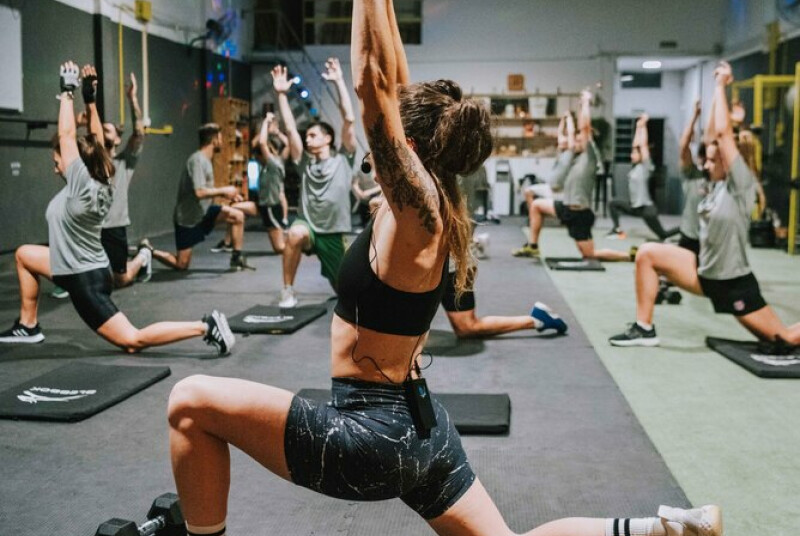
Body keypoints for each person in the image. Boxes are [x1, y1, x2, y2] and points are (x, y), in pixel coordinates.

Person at [165, 6, 721, 536]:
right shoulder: (435, 200)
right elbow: (392, 81)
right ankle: (668, 527)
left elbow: (373, 82)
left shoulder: (418, 210)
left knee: (190, 402)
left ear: (407, 147)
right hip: (423, 426)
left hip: (371, 436)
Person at [0, 62, 234, 357]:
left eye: (57, 159)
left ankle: (205, 326)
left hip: (83, 278)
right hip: (74, 263)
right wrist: (90, 100)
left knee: (132, 340)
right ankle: (28, 325)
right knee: (24, 254)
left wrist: (67, 92)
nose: (55, 164)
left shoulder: (81, 185)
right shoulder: (102, 177)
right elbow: (96, 140)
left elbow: (67, 136)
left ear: (75, 164)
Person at [609, 62, 800, 348]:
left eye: (713, 160)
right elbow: (713, 136)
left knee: (783, 339)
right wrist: (709, 109)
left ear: (730, 161)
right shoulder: (715, 184)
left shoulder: (740, 185)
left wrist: (721, 86)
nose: (707, 165)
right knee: (647, 254)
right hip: (703, 272)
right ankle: (644, 328)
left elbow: (722, 136)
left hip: (732, 281)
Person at [273, 57, 357, 308]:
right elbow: (290, 129)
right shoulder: (304, 162)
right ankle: (287, 290)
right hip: (307, 226)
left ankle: (344, 289)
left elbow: (349, 120)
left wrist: (339, 81)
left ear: (328, 138)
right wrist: (281, 95)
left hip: (333, 233)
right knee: (294, 234)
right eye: (307, 136)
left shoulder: (344, 158)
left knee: (346, 294)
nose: (307, 139)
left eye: (312, 135)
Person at [513, 90, 632, 262]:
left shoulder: (590, 155)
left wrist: (585, 103)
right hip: (566, 207)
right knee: (537, 206)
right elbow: (569, 136)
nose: (574, 142)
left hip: (579, 214)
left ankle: (629, 255)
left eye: (578, 139)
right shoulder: (575, 157)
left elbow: (585, 128)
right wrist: (567, 119)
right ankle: (533, 246)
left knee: (589, 254)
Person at [144, 123, 254, 272]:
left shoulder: (206, 160)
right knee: (182, 264)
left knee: (238, 216)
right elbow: (199, 193)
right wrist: (223, 190)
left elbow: (207, 191)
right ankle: (149, 251)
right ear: (214, 140)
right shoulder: (197, 160)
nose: (222, 142)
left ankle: (236, 258)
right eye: (220, 138)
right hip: (188, 219)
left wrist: (228, 197)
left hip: (204, 212)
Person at [210, 112, 289, 254]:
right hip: (261, 205)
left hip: (271, 208)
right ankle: (228, 243)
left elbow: (263, 143)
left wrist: (266, 122)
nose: (257, 159)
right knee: (233, 208)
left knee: (280, 248)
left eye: (258, 156)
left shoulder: (274, 164)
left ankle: (301, 243)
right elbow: (282, 143)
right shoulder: (268, 165)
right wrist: (275, 132)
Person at [442, 261, 568, 338]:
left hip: (452, 266)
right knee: (464, 328)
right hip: (447, 261)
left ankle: (538, 319)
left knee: (466, 327)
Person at [607, 114, 678, 241]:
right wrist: (638, 127)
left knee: (663, 235)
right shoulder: (635, 167)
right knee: (613, 203)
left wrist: (644, 126)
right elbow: (636, 144)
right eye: (632, 153)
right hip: (634, 207)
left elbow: (643, 145)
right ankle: (616, 229)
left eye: (634, 153)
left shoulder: (646, 166)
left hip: (646, 210)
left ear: (642, 155)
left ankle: (684, 230)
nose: (631, 155)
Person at [522, 112, 575, 204]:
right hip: (549, 187)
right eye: (560, 140)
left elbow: (571, 133)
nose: (561, 141)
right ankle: (533, 211)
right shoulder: (560, 152)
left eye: (564, 140)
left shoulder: (570, 153)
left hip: (560, 192)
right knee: (528, 191)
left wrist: (569, 118)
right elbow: (559, 132)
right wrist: (563, 119)